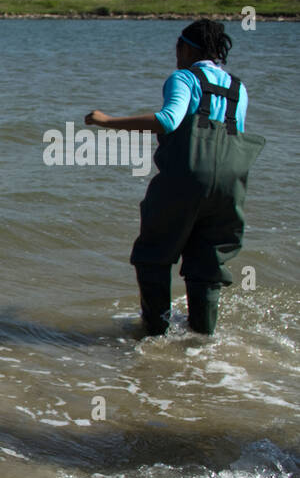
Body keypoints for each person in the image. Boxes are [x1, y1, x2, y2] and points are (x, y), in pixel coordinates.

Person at [85, 20, 265, 336]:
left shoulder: (183, 78)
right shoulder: (239, 88)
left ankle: (154, 334)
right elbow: (235, 134)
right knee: (208, 265)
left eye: (176, 48)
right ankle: (202, 340)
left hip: (186, 178)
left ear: (185, 47)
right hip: (231, 184)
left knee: (153, 256)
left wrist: (107, 120)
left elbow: (168, 121)